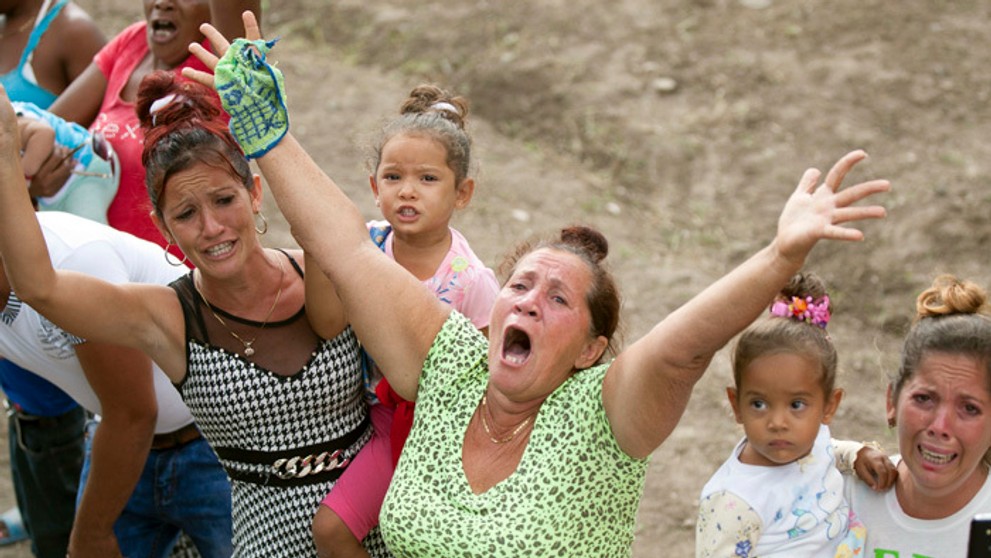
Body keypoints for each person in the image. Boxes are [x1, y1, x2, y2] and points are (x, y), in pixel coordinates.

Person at [179, 13, 891, 555]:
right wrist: (267, 134)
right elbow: (346, 250)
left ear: (591, 348)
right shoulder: (450, 366)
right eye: (520, 286)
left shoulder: (602, 414)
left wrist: (778, 255)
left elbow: (684, 348)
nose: (527, 301)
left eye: (558, 299)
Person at [0, 71, 387, 556]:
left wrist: (275, 135)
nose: (211, 227)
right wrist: (6, 152)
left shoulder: (318, 270)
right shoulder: (169, 316)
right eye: (185, 214)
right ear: (163, 227)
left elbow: (342, 231)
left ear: (254, 193)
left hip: (371, 533)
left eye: (224, 200)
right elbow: (40, 288)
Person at [312, 85, 500, 557]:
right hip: (364, 417)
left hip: (433, 436)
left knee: (346, 531)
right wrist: (317, 238)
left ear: (462, 193)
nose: (407, 190)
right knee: (331, 530)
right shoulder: (365, 246)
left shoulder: (470, 281)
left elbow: (488, 381)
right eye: (393, 176)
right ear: (374, 187)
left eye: (428, 179)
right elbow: (326, 323)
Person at [0, 210, 233, 558]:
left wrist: (91, 533)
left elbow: (133, 413)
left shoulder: (73, 259)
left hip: (218, 440)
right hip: (120, 440)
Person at [695, 272, 898, 557]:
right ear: (736, 404)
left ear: (829, 406)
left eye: (797, 405)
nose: (778, 423)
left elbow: (824, 449)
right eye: (759, 404)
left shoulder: (810, 443)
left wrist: (854, 454)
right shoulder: (735, 501)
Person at [37, 0, 260, 259]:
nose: (163, 3)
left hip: (187, 271)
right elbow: (44, 127)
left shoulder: (219, 62)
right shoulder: (131, 43)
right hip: (102, 269)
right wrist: (38, 175)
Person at [0, 0, 104, 553]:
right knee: (27, 403)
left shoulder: (70, 31)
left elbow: (101, 144)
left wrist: (27, 187)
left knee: (61, 402)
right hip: (14, 260)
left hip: (55, 249)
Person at [847, 274, 991, 557]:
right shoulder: (841, 496)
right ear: (891, 401)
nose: (940, 426)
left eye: (969, 408)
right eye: (924, 399)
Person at [15, 101, 118, 223]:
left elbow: (44, 133)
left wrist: (22, 177)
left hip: (84, 171)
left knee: (87, 225)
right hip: (50, 195)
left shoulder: (12, 122)